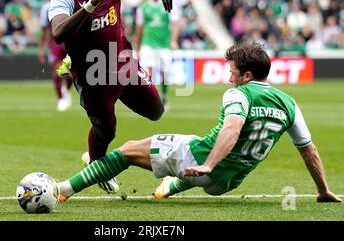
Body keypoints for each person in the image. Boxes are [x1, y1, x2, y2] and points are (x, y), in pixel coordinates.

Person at [56, 41, 342, 203]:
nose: (229, 76)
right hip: (229, 182)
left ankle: (62, 190)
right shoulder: (290, 104)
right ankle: (170, 186)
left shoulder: (239, 95)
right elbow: (309, 151)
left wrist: (209, 163)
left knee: (128, 150)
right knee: (193, 148)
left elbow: (232, 128)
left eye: (232, 70)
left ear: (247, 76)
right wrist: (323, 190)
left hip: (204, 161)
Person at [48, 0, 173, 193]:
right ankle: (96, 164)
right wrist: (91, 5)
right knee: (107, 132)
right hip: (92, 76)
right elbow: (58, 32)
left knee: (156, 111)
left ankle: (99, 161)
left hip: (123, 62)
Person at [135, 0, 180, 110]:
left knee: (164, 72)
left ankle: (164, 96)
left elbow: (175, 23)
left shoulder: (168, 5)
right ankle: (149, 99)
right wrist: (138, 46)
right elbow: (139, 28)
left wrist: (174, 40)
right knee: (148, 73)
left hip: (164, 44)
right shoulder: (143, 7)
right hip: (148, 44)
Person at [38, 0, 73, 112]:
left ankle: (66, 90)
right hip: (55, 43)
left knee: (70, 73)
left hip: (69, 41)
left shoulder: (70, 2)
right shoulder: (46, 8)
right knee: (58, 70)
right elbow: (43, 30)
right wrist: (41, 49)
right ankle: (61, 98)